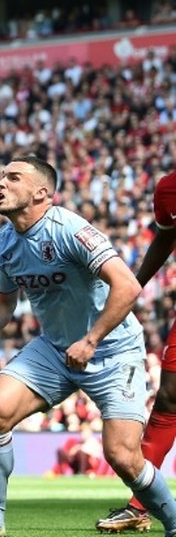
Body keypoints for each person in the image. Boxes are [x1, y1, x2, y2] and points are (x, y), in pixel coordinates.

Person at [0, 156, 176, 537]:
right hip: (55, 349)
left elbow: (128, 286)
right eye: (1, 176)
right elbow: (4, 300)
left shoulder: (70, 229)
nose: (0, 183)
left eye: (13, 177)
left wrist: (92, 339)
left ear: (41, 193)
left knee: (122, 456)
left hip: (113, 350)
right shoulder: (4, 242)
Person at [95, 170, 176, 534]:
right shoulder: (169, 187)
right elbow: (166, 238)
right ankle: (140, 505)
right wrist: (134, 286)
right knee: (170, 399)